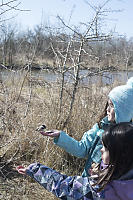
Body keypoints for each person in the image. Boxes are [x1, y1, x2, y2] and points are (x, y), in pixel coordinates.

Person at [38, 77, 133, 177]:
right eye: (108, 104)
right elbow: (82, 149)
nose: (107, 110)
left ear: (124, 110)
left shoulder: (128, 139)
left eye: (112, 106)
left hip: (108, 189)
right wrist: (60, 136)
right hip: (88, 183)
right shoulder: (100, 127)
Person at [16, 122, 133, 199]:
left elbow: (66, 187)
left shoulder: (100, 188)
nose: (101, 151)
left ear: (119, 154)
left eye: (105, 148)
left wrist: (35, 169)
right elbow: (81, 148)